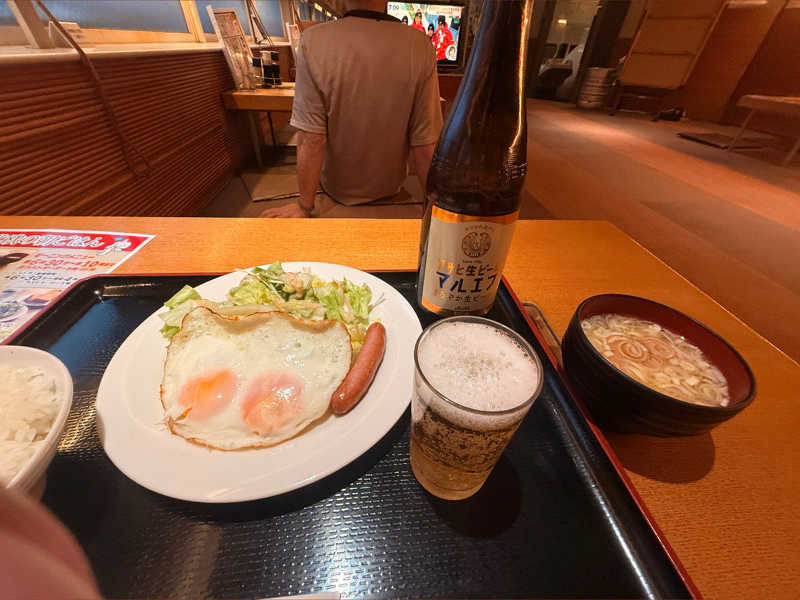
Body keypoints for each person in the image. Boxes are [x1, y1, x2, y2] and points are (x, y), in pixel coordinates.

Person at [260, 0, 443, 218]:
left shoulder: (314, 41)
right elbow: (425, 144)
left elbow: (311, 138)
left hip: (334, 197)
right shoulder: (420, 46)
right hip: (393, 194)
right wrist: (437, 211)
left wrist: (303, 206)